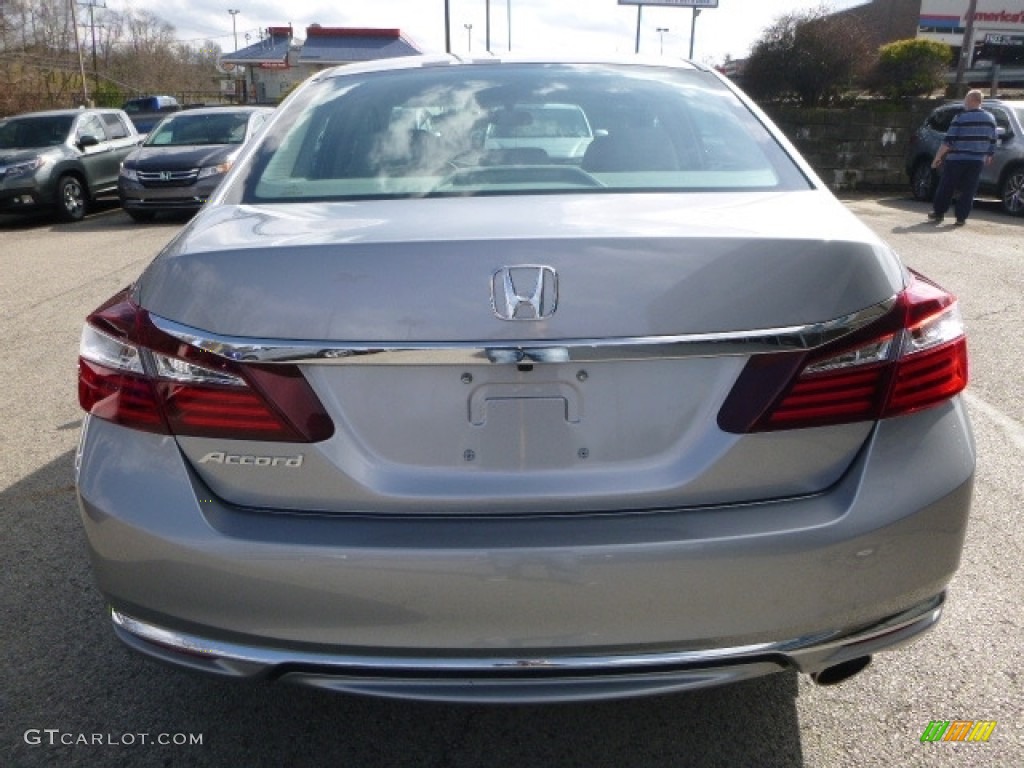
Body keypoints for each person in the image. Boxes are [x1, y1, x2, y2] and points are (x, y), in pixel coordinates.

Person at [928, 89, 997, 226]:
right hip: (977, 160)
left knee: (947, 186)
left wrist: (938, 157)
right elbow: (993, 139)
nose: (964, 103)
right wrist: (989, 154)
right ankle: (961, 217)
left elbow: (949, 141)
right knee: (969, 189)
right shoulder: (991, 119)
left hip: (957, 159)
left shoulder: (960, 118)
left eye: (966, 99)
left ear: (972, 100)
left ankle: (939, 213)